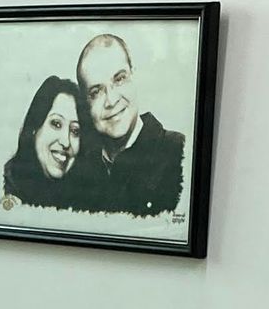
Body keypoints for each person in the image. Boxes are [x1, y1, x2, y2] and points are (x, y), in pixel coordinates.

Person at [67, 33, 185, 216]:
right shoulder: (76, 169)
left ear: (134, 76)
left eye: (119, 79)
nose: (111, 100)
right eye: (96, 92)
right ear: (85, 103)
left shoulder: (180, 153)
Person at [0, 76, 85, 209]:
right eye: (56, 124)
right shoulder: (5, 188)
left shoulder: (80, 202)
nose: (66, 142)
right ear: (35, 127)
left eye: (75, 131)